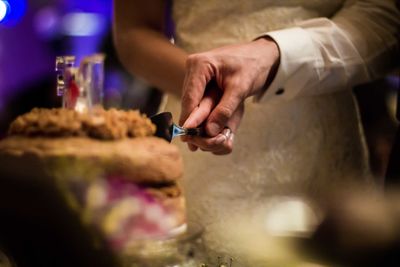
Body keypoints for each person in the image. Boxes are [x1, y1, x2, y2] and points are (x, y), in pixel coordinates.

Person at [113, 0, 400, 264]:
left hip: (323, 152)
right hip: (203, 152)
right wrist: (214, 90)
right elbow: (134, 31)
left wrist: (271, 56)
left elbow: (386, 18)